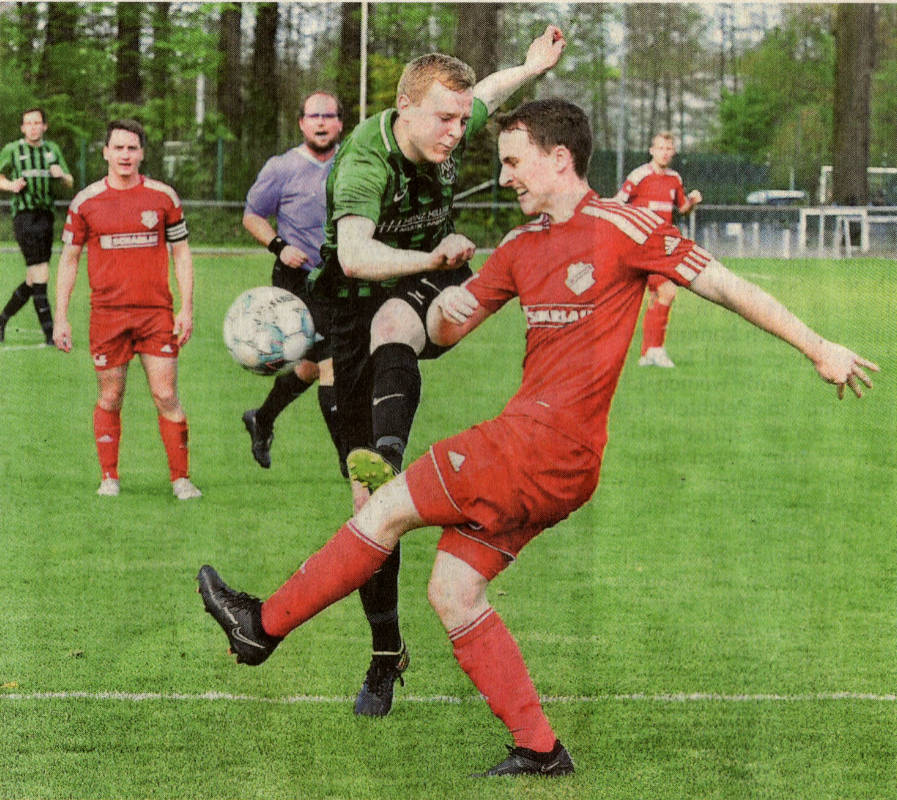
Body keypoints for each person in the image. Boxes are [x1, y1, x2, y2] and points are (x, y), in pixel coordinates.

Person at [197, 98, 878, 776]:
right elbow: (445, 331)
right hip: (553, 464)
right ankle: (539, 749)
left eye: (514, 162)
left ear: (559, 158)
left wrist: (818, 347)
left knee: (383, 506)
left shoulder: (624, 226)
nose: (505, 177)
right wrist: (437, 290)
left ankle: (263, 627)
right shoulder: (520, 248)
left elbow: (727, 286)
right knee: (453, 592)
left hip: (540, 448)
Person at [304, 24, 566, 718]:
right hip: (349, 309)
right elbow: (356, 256)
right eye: (444, 120)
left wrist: (531, 66)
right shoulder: (366, 160)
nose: (457, 130)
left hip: (412, 298)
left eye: (459, 119)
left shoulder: (446, 116)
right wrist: (434, 256)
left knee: (397, 320)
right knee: (368, 513)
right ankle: (386, 653)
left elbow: (486, 92)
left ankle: (386, 453)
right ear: (405, 110)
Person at [53, 119, 201, 501]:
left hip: (155, 314)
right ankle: (109, 476)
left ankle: (181, 479)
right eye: (118, 148)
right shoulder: (86, 202)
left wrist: (186, 307)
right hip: (107, 316)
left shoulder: (163, 197)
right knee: (110, 396)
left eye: (132, 148)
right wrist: (61, 315)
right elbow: (69, 260)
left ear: (142, 153)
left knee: (166, 394)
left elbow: (181, 252)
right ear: (105, 152)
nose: (125, 155)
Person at [241, 91, 344, 473]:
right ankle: (350, 458)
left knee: (310, 367)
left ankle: (262, 419)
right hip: (297, 281)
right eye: (313, 116)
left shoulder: (352, 164)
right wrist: (279, 246)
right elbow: (252, 215)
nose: (320, 122)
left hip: (340, 278)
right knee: (332, 363)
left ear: (339, 124)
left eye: (328, 115)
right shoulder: (281, 168)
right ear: (301, 123)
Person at [615, 130, 702, 368]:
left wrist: (693, 201)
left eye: (668, 149)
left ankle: (651, 352)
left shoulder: (674, 179)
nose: (664, 153)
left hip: (660, 248)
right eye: (660, 148)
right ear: (651, 151)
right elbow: (618, 203)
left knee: (662, 294)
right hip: (637, 248)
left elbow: (682, 207)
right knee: (660, 295)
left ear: (672, 152)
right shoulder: (639, 175)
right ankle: (652, 350)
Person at [0, 108, 73, 345]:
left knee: (34, 278)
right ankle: (50, 332)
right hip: (24, 216)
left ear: (44, 126)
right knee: (41, 272)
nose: (33, 127)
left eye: (37, 122)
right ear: (22, 128)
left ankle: (2, 320)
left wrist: (61, 175)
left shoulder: (52, 150)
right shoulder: (13, 150)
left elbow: (70, 181)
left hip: (46, 216)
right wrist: (11, 185)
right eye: (28, 123)